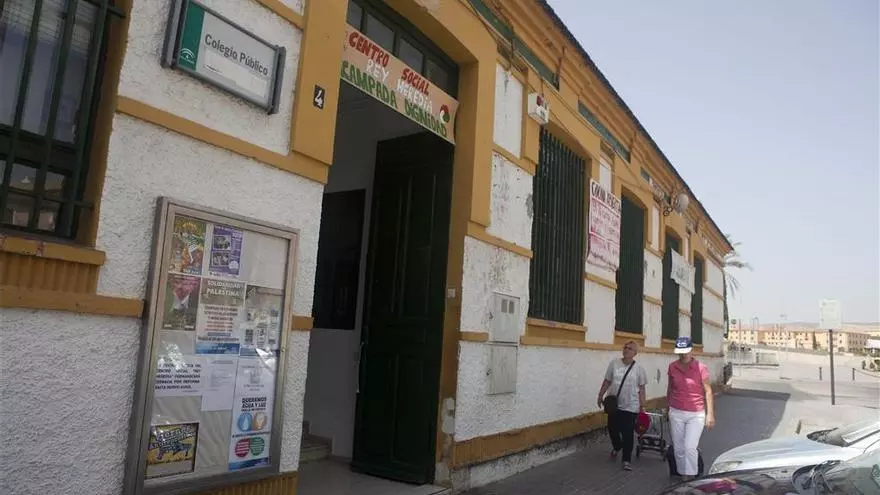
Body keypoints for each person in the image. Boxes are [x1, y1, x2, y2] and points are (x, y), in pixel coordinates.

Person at [667, 336, 715, 481]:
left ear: (691, 350)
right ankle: (684, 476)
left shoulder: (700, 368)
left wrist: (710, 414)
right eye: (681, 352)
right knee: (679, 448)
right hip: (676, 411)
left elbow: (708, 391)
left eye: (686, 351)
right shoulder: (672, 367)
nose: (683, 355)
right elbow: (670, 388)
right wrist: (668, 407)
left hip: (696, 413)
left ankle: (692, 475)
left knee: (689, 447)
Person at [597, 340, 647, 471]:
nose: (626, 350)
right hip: (614, 405)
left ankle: (626, 460)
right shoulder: (614, 363)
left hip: (631, 406)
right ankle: (617, 446)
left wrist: (642, 406)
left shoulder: (639, 369)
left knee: (627, 433)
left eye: (629, 348)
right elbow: (607, 381)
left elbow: (642, 389)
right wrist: (600, 395)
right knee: (612, 429)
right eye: (625, 347)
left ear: (635, 353)